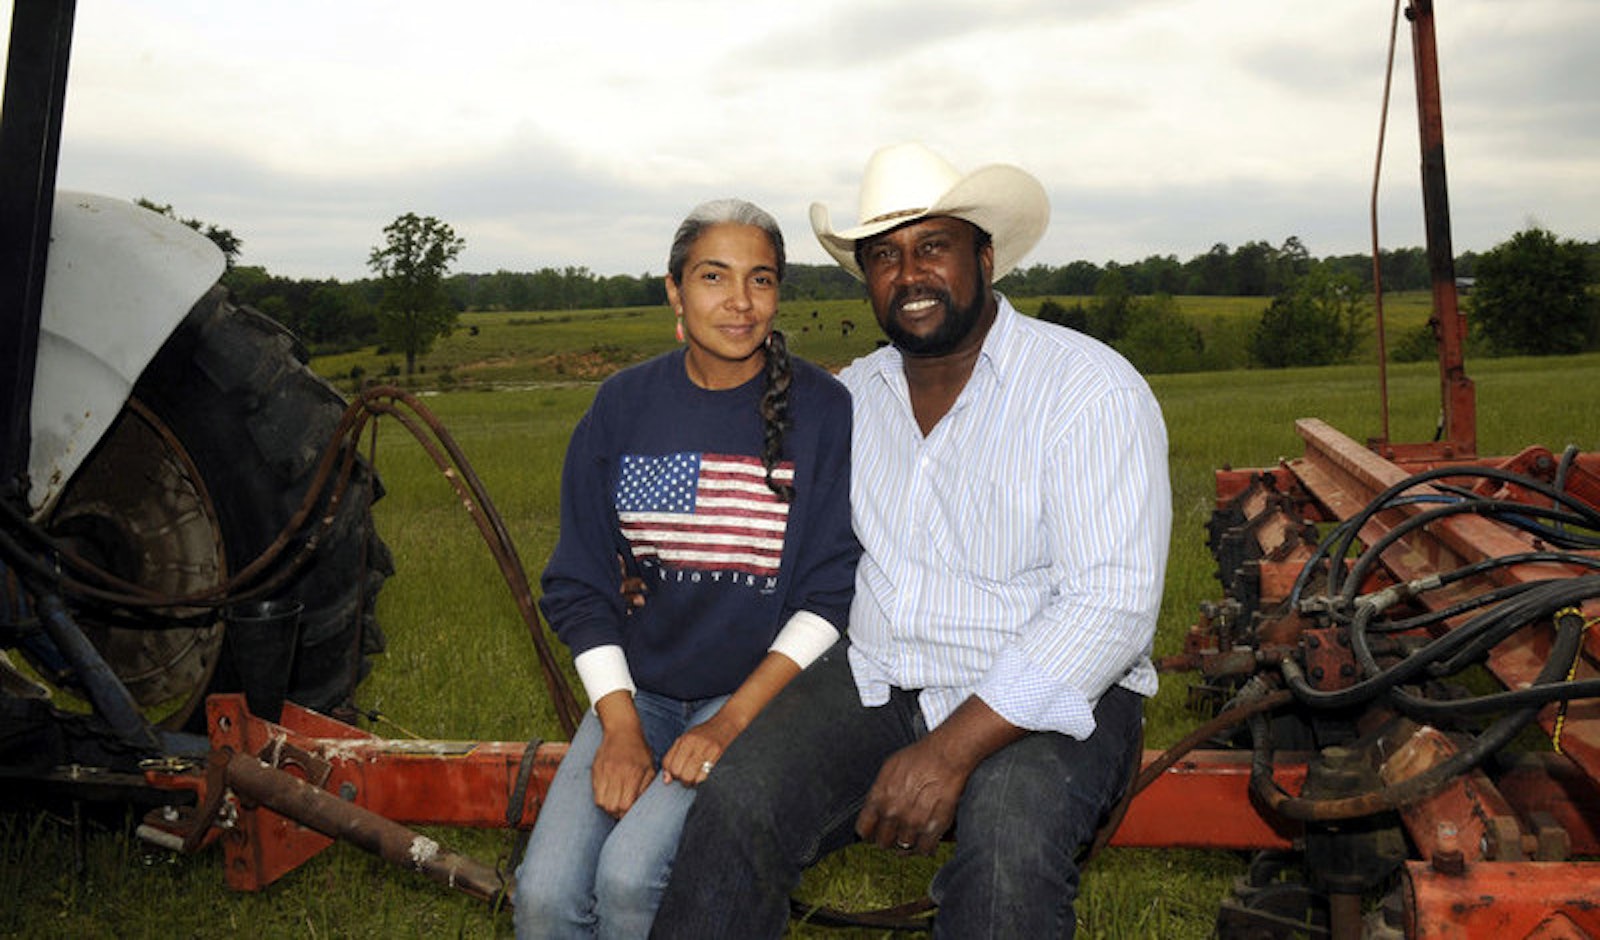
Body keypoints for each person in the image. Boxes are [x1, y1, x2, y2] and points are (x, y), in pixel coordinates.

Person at [650, 143, 1172, 939]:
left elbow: (1110, 607)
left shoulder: (1087, 389)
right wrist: (647, 567)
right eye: (885, 256)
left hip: (1056, 696)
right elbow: (777, 530)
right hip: (878, 678)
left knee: (1006, 847)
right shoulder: (853, 398)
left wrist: (949, 752)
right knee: (738, 800)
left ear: (984, 258)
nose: (910, 273)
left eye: (933, 246)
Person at [513, 198, 859, 939]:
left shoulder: (825, 410)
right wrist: (620, 727)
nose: (740, 302)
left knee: (631, 876)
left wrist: (730, 724)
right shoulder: (623, 404)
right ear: (674, 289)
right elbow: (580, 582)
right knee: (543, 897)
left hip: (755, 696)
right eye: (713, 276)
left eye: (760, 279)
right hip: (638, 693)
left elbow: (830, 593)